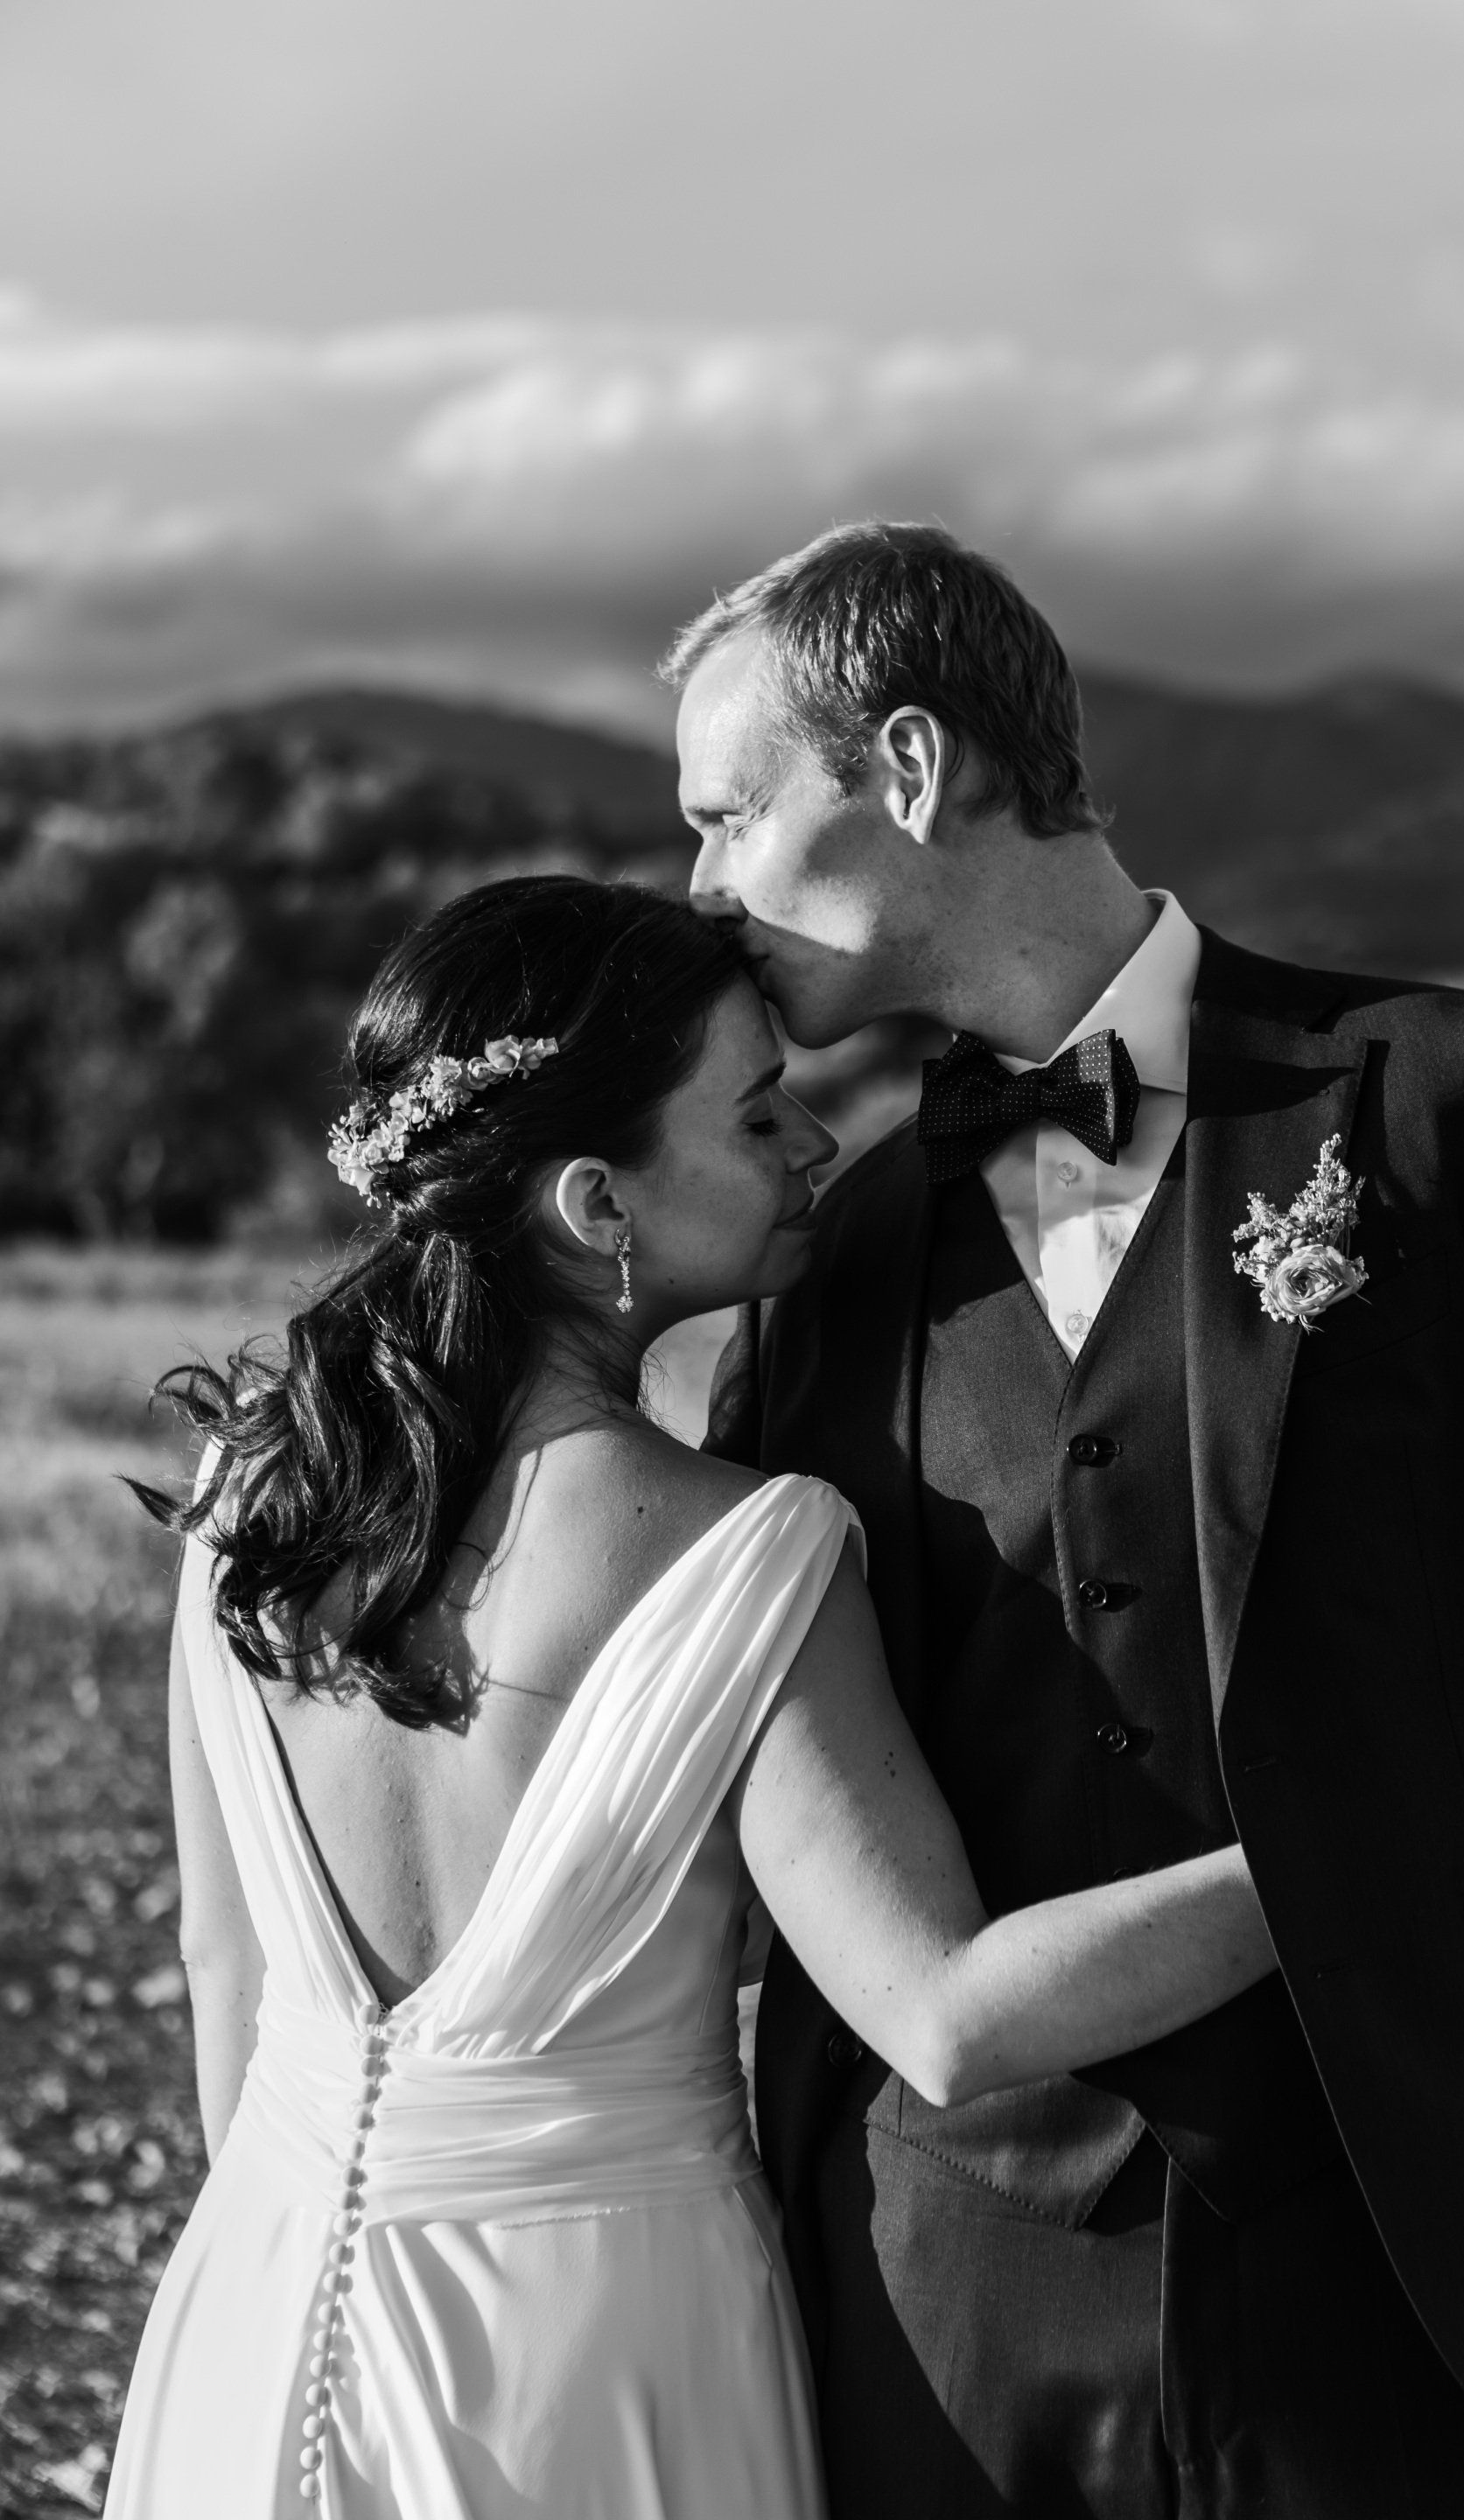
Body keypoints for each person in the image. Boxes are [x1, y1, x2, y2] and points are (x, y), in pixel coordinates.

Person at [672, 520, 1464, 2520]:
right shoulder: (832, 1249)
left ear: (907, 770)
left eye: (725, 815)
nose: (699, 891)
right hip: (933, 2299)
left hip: (1414, 2270)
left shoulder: (1456, 1107)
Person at [104, 873, 1278, 2520]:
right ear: (597, 1204)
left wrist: (292, 2283)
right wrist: (1336, 1863)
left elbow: (226, 1969)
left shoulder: (247, 1498)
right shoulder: (744, 1552)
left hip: (264, 2302)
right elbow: (947, 2016)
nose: (814, 1146)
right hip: (596, 2355)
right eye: (757, 1113)